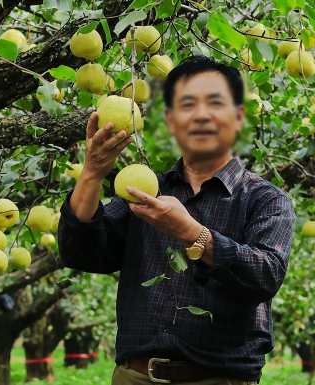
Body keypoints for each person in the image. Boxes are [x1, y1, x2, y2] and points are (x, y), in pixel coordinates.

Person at [58, 55, 295, 385]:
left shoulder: (265, 199)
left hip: (219, 379)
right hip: (136, 375)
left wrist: (190, 233)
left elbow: (266, 274)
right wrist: (92, 174)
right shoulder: (146, 192)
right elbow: (80, 251)